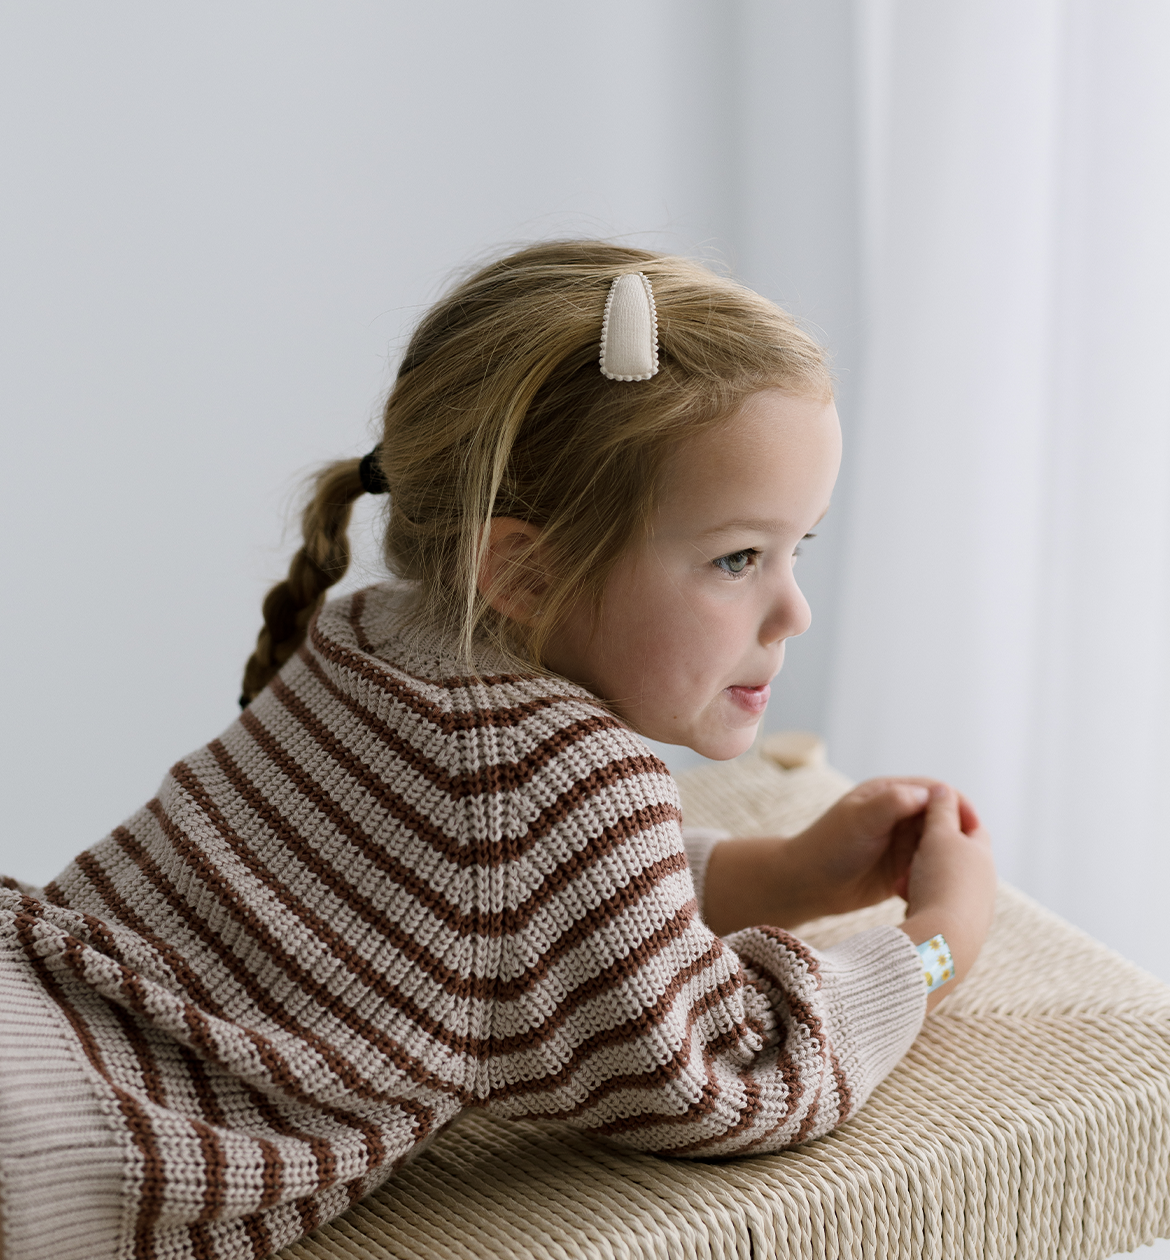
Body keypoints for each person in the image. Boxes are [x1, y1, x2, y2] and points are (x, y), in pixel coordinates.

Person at [0, 241, 996, 1260]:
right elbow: (737, 1074)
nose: (794, 609)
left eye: (800, 547)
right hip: (47, 1145)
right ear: (521, 570)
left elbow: (507, 893)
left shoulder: (376, 636)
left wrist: (774, 874)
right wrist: (935, 942)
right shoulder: (555, 784)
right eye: (737, 557)